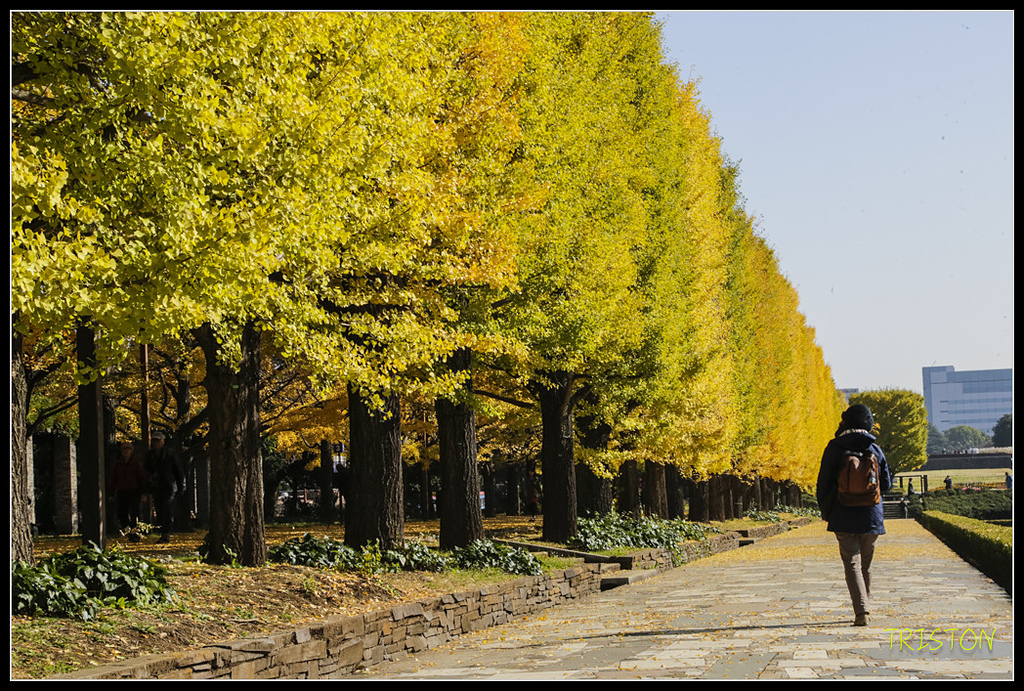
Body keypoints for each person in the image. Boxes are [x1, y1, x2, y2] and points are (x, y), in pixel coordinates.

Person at [816, 404, 892, 627]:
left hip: (843, 513)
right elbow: (885, 484)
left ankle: (861, 612)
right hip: (871, 515)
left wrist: (827, 510)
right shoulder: (875, 449)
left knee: (851, 563)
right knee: (866, 564)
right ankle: (864, 608)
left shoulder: (834, 447)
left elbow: (823, 484)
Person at [147, 430, 186, 543]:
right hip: (157, 486)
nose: (156, 443)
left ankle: (166, 533)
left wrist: (181, 486)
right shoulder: (150, 455)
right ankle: (163, 532)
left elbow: (178, 470)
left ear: (163, 442)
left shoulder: (170, 454)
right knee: (159, 510)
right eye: (154, 441)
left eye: (158, 441)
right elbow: (147, 471)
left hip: (169, 486)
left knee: (167, 509)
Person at [111, 440, 146, 538]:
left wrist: (143, 493)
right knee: (122, 514)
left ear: (132, 451)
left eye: (128, 449)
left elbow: (142, 479)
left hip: (135, 491)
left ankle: (136, 532)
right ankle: (128, 531)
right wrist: (111, 493)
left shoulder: (136, 464)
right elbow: (114, 479)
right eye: (124, 449)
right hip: (122, 491)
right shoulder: (118, 464)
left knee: (136, 513)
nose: (125, 451)